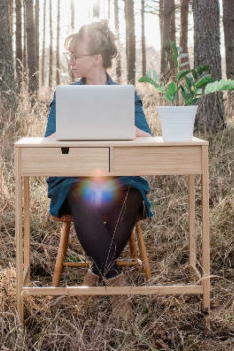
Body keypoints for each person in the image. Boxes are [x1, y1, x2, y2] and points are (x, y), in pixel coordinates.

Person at [44, 19, 152, 320]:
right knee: (81, 193)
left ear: (97, 59)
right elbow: (48, 140)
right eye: (70, 56)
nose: (71, 61)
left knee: (132, 194)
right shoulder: (64, 94)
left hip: (120, 177)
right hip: (76, 178)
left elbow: (147, 136)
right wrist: (65, 133)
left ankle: (95, 273)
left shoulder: (126, 94)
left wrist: (128, 129)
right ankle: (117, 286)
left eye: (76, 55)